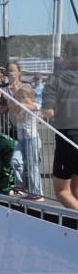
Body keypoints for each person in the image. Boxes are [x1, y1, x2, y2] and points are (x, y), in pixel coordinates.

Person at [41, 36, 78, 209]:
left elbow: (48, 111)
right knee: (76, 188)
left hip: (68, 137)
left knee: (62, 190)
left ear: (65, 56)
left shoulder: (56, 79)